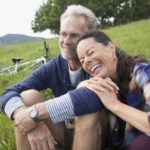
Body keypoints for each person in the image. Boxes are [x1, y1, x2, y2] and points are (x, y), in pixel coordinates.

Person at [13, 31, 150, 150]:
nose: (87, 62)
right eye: (82, 60)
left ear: (111, 47)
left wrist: (114, 105)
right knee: (27, 97)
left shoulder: (143, 71)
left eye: (90, 53)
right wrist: (81, 87)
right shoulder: (104, 83)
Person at [0, 5, 97, 150]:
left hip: (97, 133)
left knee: (89, 114)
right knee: (27, 97)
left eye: (75, 35)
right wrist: (25, 117)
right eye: (63, 34)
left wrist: (35, 114)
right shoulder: (55, 65)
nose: (66, 41)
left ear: (91, 37)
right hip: (66, 132)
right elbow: (7, 93)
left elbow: (92, 97)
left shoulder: (99, 59)